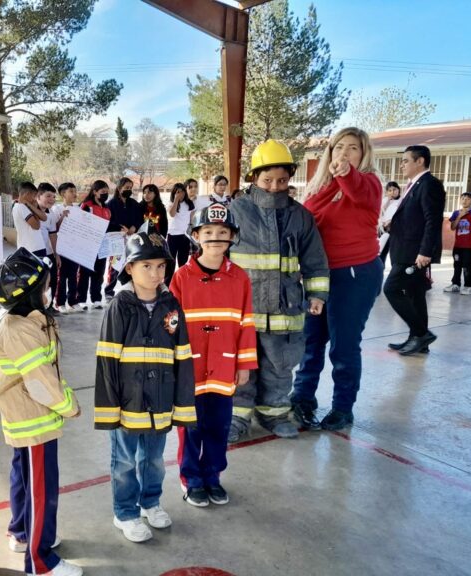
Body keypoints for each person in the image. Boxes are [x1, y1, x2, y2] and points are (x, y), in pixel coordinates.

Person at [94, 232, 195, 543]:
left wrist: (181, 404)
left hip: (161, 402)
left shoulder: (171, 305)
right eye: (146, 266)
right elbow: (107, 360)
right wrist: (110, 410)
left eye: (161, 267)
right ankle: (125, 512)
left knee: (153, 459)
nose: (155, 274)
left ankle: (150, 502)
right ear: (129, 268)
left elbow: (183, 357)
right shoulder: (120, 306)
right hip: (128, 403)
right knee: (124, 461)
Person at [228, 139, 329, 440]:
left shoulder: (301, 216)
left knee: (280, 367)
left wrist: (317, 295)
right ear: (254, 178)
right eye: (267, 179)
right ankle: (237, 418)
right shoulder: (237, 210)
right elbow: (216, 254)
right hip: (245, 310)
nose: (274, 186)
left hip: (286, 311)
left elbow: (315, 260)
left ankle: (274, 413)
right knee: (241, 368)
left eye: (282, 180)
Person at [0, 248, 82, 576]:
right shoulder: (22, 330)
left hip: (25, 419)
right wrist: (69, 406)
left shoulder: (27, 321)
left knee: (24, 478)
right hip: (35, 420)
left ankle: (21, 531)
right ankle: (40, 561)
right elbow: (41, 382)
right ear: (28, 295)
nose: (47, 292)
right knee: (42, 489)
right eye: (43, 288)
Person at [290, 127, 383, 432]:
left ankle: (343, 407)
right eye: (338, 147)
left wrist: (346, 173)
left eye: (352, 148)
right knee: (311, 341)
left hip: (354, 273)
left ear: (364, 152)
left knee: (343, 346)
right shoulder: (319, 189)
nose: (344, 153)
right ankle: (303, 396)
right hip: (319, 277)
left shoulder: (368, 183)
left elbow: (357, 188)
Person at [170, 203, 257, 507]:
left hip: (223, 367)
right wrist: (173, 362)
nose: (215, 238)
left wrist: (244, 364)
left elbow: (247, 323)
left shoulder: (240, 279)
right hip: (190, 369)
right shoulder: (181, 278)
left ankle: (213, 476)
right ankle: (191, 479)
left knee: (218, 426)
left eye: (222, 232)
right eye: (208, 232)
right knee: (190, 428)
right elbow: (171, 324)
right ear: (195, 236)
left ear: (232, 237)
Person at [383, 145, 445, 356]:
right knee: (415, 295)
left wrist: (425, 251)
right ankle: (418, 341)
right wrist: (394, 224)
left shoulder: (429, 184)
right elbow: (414, 217)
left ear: (420, 161)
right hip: (406, 249)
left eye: (406, 160)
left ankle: (421, 333)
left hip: (414, 253)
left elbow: (432, 220)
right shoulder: (414, 185)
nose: (402, 164)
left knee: (391, 289)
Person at [104, 177, 143, 300]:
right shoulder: (111, 204)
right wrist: (120, 228)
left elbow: (140, 219)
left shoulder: (134, 203)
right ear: (119, 188)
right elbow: (108, 221)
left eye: (130, 188)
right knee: (115, 265)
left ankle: (130, 288)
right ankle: (109, 291)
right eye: (126, 188)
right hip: (116, 238)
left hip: (131, 239)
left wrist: (134, 227)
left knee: (131, 264)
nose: (129, 190)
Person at [77, 180, 112, 310]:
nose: (105, 194)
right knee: (85, 273)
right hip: (88, 245)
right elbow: (80, 223)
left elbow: (109, 226)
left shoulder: (107, 208)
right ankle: (81, 299)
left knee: (99, 272)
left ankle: (96, 298)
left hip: (102, 246)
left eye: (107, 192)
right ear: (95, 192)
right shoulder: (86, 205)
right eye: (103, 192)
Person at [444, 191, 471, 295]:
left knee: (467, 266)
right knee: (457, 265)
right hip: (458, 245)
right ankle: (455, 284)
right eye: (463, 198)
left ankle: (468, 286)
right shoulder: (456, 213)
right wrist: (459, 216)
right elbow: (452, 227)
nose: (465, 200)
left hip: (469, 246)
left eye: (468, 199)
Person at [55, 182, 83, 313]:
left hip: (75, 248)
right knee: (62, 277)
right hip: (62, 248)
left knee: (73, 276)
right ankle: (60, 303)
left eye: (74, 191)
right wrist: (62, 217)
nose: (74, 194)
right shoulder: (57, 209)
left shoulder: (78, 210)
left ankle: (73, 301)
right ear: (63, 194)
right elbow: (54, 229)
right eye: (71, 191)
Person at [36, 183, 61, 308]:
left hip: (49, 253)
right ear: (38, 196)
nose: (51, 199)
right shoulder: (29, 211)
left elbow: (53, 234)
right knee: (37, 282)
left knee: (53, 280)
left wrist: (56, 255)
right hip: (34, 253)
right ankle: (37, 306)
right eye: (48, 196)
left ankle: (50, 306)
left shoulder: (51, 214)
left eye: (53, 197)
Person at [166, 182, 196, 282]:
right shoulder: (171, 203)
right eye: (178, 192)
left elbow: (191, 217)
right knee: (171, 262)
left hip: (185, 236)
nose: (180, 194)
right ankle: (168, 283)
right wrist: (176, 200)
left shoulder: (189, 204)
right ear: (174, 193)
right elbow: (172, 214)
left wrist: (191, 229)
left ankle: (182, 281)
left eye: (182, 191)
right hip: (173, 236)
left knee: (183, 261)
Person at [13, 181, 48, 256]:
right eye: (34, 195)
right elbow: (36, 226)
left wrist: (31, 205)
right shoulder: (21, 207)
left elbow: (44, 218)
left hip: (28, 248)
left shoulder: (21, 206)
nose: (35, 199)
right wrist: (34, 210)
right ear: (27, 194)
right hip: (33, 248)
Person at [379, 181, 402, 262]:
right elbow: (380, 213)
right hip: (383, 230)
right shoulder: (384, 200)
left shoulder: (402, 201)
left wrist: (391, 221)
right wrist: (388, 201)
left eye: (394, 189)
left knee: (395, 254)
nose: (392, 192)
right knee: (381, 252)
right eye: (390, 190)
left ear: (399, 190)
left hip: (395, 231)